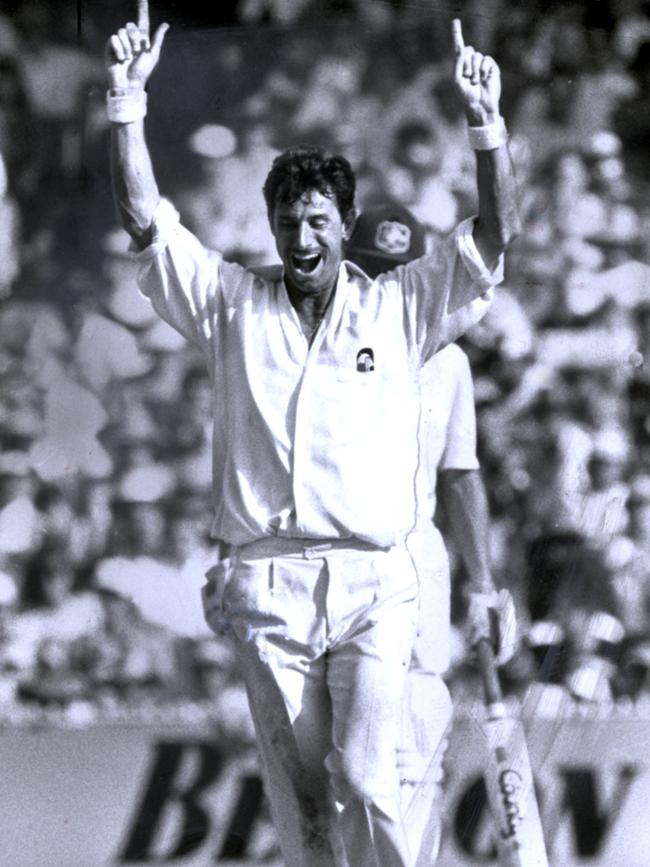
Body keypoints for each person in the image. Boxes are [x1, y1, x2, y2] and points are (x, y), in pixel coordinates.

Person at [105, 5, 520, 866]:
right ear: (272, 226)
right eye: (290, 221)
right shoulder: (229, 304)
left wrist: (487, 129)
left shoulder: (399, 307)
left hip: (375, 578)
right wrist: (126, 110)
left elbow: (490, 239)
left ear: (345, 224)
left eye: (321, 220)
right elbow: (147, 224)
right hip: (269, 584)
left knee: (368, 776)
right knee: (305, 806)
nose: (304, 237)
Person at [346, 203, 516, 864]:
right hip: (336, 561)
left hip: (415, 557)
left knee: (419, 733)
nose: (381, 290)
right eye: (369, 274)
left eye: (395, 275)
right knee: (348, 763)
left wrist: (484, 585)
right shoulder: (316, 352)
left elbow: (462, 474)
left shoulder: (446, 362)